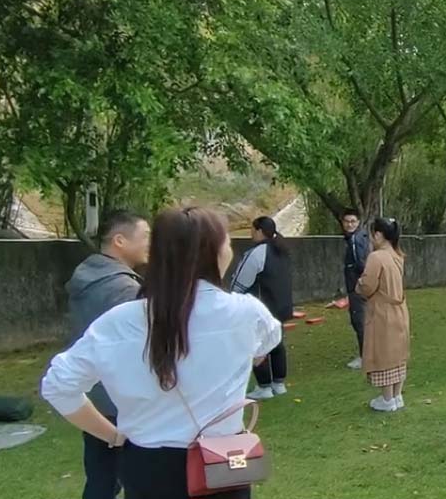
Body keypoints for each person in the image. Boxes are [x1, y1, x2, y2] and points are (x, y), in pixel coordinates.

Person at [41, 207, 281, 499]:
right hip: (222, 460)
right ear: (215, 252)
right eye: (227, 242)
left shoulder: (119, 322)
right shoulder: (247, 313)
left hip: (149, 465)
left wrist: (112, 436)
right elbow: (265, 345)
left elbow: (58, 385)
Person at [64, 209, 150, 499]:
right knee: (128, 480)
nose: (149, 243)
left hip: (96, 397)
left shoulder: (88, 276)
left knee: (102, 478)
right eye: (145, 236)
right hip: (121, 400)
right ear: (120, 241)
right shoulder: (124, 289)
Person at [231, 216, 294, 401]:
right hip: (281, 305)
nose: (251, 233)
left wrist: (232, 298)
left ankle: (264, 386)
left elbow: (240, 282)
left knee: (258, 345)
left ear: (259, 231)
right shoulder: (282, 250)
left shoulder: (257, 253)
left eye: (252, 229)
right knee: (277, 342)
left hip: (262, 307)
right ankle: (279, 383)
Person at [357, 217, 410, 412]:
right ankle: (397, 396)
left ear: (378, 235)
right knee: (398, 353)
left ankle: (387, 399)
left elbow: (367, 285)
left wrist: (359, 285)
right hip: (399, 309)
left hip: (382, 311)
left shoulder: (376, 257)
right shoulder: (398, 254)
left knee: (384, 352)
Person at [341, 208, 371, 370]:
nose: (349, 224)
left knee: (359, 320)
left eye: (353, 221)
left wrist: (360, 283)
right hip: (357, 286)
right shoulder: (359, 237)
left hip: (357, 287)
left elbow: (361, 264)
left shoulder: (355, 240)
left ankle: (365, 356)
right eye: (347, 221)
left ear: (358, 222)